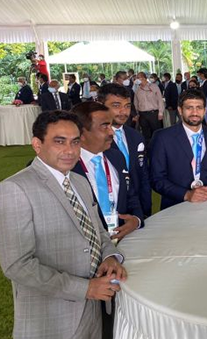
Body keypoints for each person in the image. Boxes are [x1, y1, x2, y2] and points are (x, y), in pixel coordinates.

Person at [0, 110, 125, 339]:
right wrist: (85, 288)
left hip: (93, 309)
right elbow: (17, 266)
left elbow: (98, 232)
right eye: (59, 141)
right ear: (37, 145)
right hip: (55, 319)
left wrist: (111, 256)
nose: (70, 150)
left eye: (75, 141)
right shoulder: (14, 189)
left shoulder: (79, 181)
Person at [70, 102, 145, 239]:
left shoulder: (116, 157)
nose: (111, 132)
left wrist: (136, 220)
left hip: (122, 241)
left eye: (110, 125)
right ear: (80, 132)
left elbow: (131, 196)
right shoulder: (67, 167)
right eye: (105, 126)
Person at [150, 89, 207, 210]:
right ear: (180, 110)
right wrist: (187, 194)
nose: (194, 112)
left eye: (199, 108)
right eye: (189, 108)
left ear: (205, 110)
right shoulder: (163, 137)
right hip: (175, 207)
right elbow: (156, 179)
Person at [98, 83, 153, 218]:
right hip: (109, 214)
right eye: (116, 106)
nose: (123, 112)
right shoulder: (93, 141)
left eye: (127, 106)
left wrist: (144, 212)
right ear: (100, 105)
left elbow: (143, 177)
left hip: (137, 212)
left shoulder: (136, 137)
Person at [133, 71, 164, 145]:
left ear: (144, 78)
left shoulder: (153, 86)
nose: (137, 79)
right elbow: (136, 102)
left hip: (153, 113)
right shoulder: (137, 89)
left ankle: (159, 147)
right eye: (136, 78)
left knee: (157, 133)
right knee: (145, 133)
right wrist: (136, 113)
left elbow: (160, 99)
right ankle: (148, 149)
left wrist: (161, 112)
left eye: (138, 77)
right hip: (142, 114)